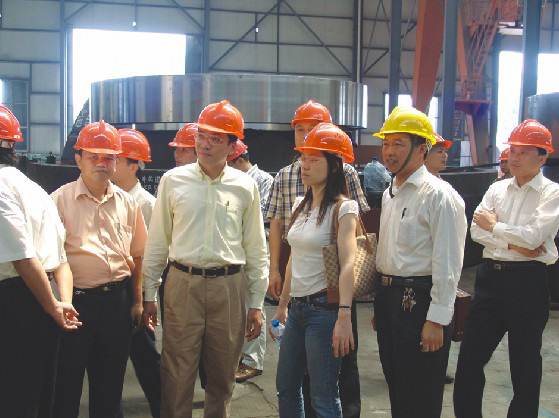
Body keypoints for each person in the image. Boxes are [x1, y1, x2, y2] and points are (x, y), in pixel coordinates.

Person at [142, 100, 268, 417]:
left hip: (229, 287)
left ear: (232, 146)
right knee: (176, 373)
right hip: (182, 284)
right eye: (201, 136)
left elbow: (255, 246)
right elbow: (158, 241)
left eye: (215, 138)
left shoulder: (245, 187)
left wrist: (256, 301)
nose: (205, 144)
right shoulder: (173, 181)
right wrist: (148, 293)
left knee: (223, 375)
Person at [265, 100, 368, 418]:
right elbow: (294, 258)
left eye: (313, 159)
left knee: (323, 395)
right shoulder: (300, 203)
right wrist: (282, 306)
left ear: (333, 166)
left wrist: (344, 316)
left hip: (325, 311)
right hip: (297, 310)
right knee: (286, 386)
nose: (304, 165)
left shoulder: (344, 208)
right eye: (303, 158)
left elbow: (348, 262)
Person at [454, 119, 559, 418]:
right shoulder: (497, 189)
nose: (514, 157)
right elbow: (477, 231)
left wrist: (497, 228)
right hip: (491, 278)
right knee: (470, 356)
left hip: (528, 282)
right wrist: (515, 243)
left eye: (524, 152)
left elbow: (534, 237)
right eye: (513, 150)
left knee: (525, 362)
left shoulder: (551, 193)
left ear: (542, 157)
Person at [373, 106, 467, 418]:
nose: (389, 152)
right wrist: (382, 303)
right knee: (398, 387)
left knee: (421, 394)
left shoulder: (439, 196)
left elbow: (448, 263)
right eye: (386, 143)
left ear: (421, 148)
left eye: (398, 144)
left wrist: (437, 319)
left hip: (420, 303)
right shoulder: (391, 193)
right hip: (390, 300)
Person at [52, 120, 148, 418]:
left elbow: (138, 256)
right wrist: (62, 303)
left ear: (117, 162)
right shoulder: (59, 201)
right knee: (66, 384)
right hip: (76, 305)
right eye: (93, 156)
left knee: (109, 384)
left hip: (117, 303)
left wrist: (138, 302)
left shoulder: (128, 204)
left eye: (109, 157)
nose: (101, 163)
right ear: (78, 159)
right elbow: (51, 260)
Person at [0, 105, 81, 418]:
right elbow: (60, 260)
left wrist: (52, 306)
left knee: (14, 397)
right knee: (39, 393)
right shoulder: (35, 189)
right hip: (46, 296)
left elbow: (22, 257)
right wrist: (62, 303)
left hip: (18, 299)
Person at [112, 128, 160, 418]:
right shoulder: (107, 196)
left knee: (146, 359)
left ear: (134, 165)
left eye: (116, 158)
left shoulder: (146, 205)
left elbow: (151, 256)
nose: (109, 163)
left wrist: (146, 297)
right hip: (113, 290)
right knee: (110, 363)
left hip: (137, 291)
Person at [227, 139, 274, 383]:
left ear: (237, 160)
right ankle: (239, 356)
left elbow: (262, 216)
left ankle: (253, 360)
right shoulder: (229, 180)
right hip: (234, 249)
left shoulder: (264, 180)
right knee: (236, 306)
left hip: (255, 247)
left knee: (254, 304)